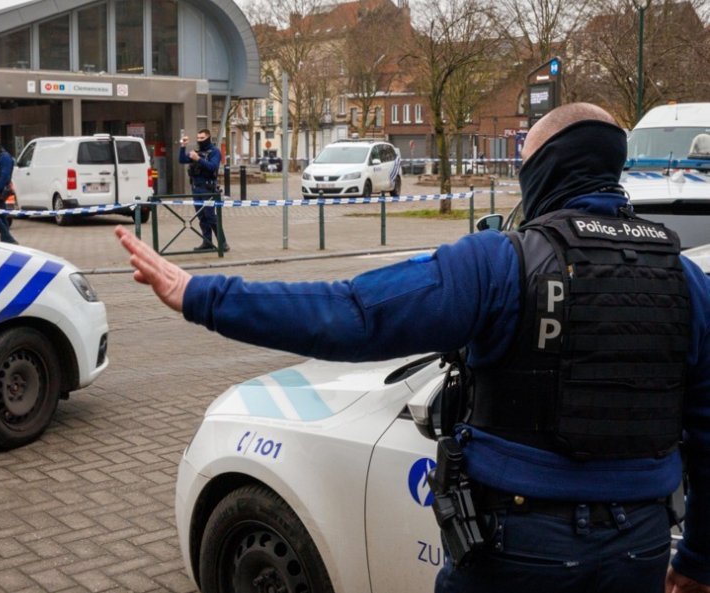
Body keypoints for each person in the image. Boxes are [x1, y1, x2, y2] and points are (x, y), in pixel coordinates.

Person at [116, 103, 710, 593]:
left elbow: (350, 314)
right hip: (640, 551)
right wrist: (699, 557)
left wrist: (200, 294)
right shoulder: (685, 281)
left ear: (546, 172)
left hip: (519, 552)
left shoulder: (501, 263)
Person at [179, 128, 229, 252]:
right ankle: (207, 242)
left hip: (208, 188)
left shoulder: (214, 152)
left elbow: (213, 167)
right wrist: (182, 146)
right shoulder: (197, 152)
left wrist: (198, 159)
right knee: (202, 217)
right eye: (198, 138)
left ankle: (223, 243)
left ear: (208, 137)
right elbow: (182, 160)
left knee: (211, 216)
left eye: (202, 138)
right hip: (196, 188)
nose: (200, 140)